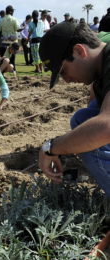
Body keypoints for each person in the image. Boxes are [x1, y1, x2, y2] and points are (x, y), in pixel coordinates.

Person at [38, 22, 110, 197]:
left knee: (92, 130)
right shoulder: (102, 67)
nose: (67, 80)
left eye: (63, 71)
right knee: (83, 119)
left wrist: (51, 148)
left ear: (79, 50)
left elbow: (106, 128)